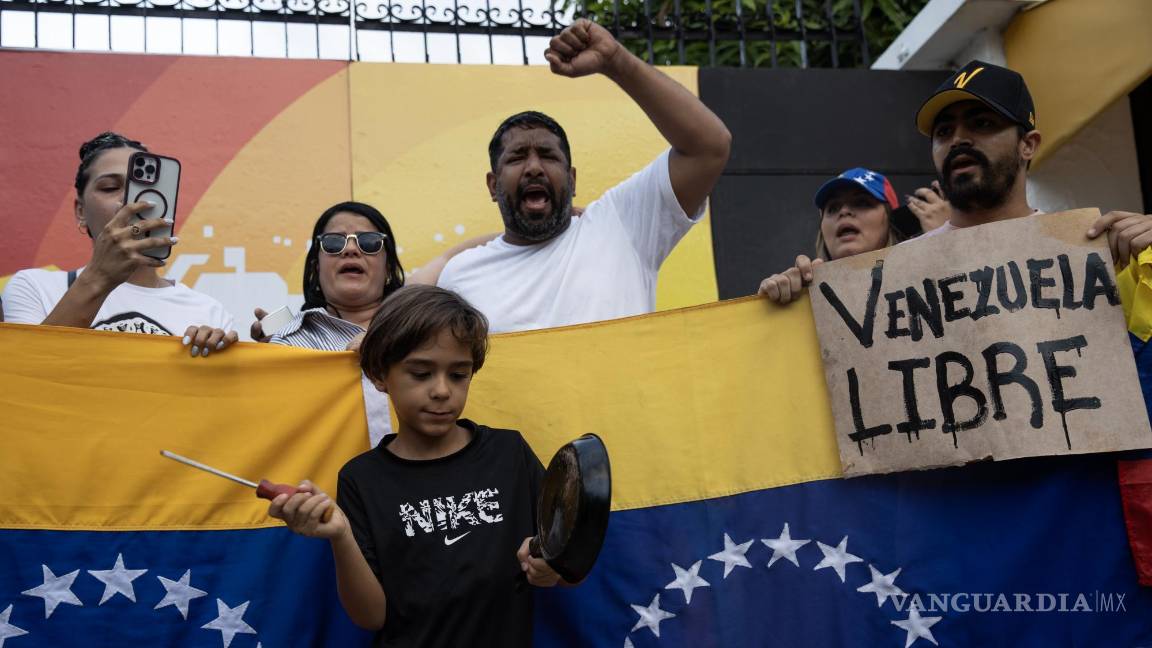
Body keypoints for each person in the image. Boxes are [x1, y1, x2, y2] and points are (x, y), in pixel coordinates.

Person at [268, 284, 563, 647]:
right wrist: (341, 536)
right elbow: (371, 616)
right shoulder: (362, 479)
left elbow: (566, 562)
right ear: (379, 376)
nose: (442, 390)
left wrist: (552, 566)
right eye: (421, 373)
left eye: (458, 374)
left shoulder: (510, 452)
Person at [436, 19, 731, 333]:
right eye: (518, 157)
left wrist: (616, 61)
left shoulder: (621, 225)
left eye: (548, 156)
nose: (534, 167)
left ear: (573, 180)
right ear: (493, 186)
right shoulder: (460, 276)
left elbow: (710, 146)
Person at [1, 132, 237, 356]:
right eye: (110, 188)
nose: (127, 200)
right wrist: (100, 276)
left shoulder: (209, 311)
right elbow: (26, 373)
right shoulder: (34, 288)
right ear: (80, 212)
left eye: (143, 189)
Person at [912, 60, 1152, 257]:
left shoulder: (1099, 250)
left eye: (982, 123)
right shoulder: (899, 273)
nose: (958, 139)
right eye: (944, 132)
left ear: (1027, 144)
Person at [261, 201, 406, 446]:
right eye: (333, 242)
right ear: (316, 267)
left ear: (389, 267)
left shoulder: (426, 331)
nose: (350, 249)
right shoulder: (285, 342)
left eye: (369, 242)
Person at [758, 167, 919, 304]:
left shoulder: (924, 282)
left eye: (862, 203)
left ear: (892, 221)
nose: (844, 212)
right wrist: (771, 306)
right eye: (833, 208)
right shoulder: (802, 298)